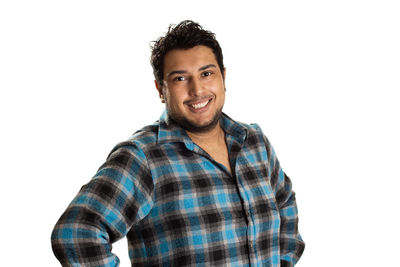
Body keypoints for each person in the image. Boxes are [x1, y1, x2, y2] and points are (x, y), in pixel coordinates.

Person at [51, 20, 305, 267]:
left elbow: (284, 203)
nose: (197, 89)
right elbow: (76, 233)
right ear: (161, 90)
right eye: (180, 79)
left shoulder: (255, 143)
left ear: (223, 77)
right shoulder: (143, 157)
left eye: (207, 73)